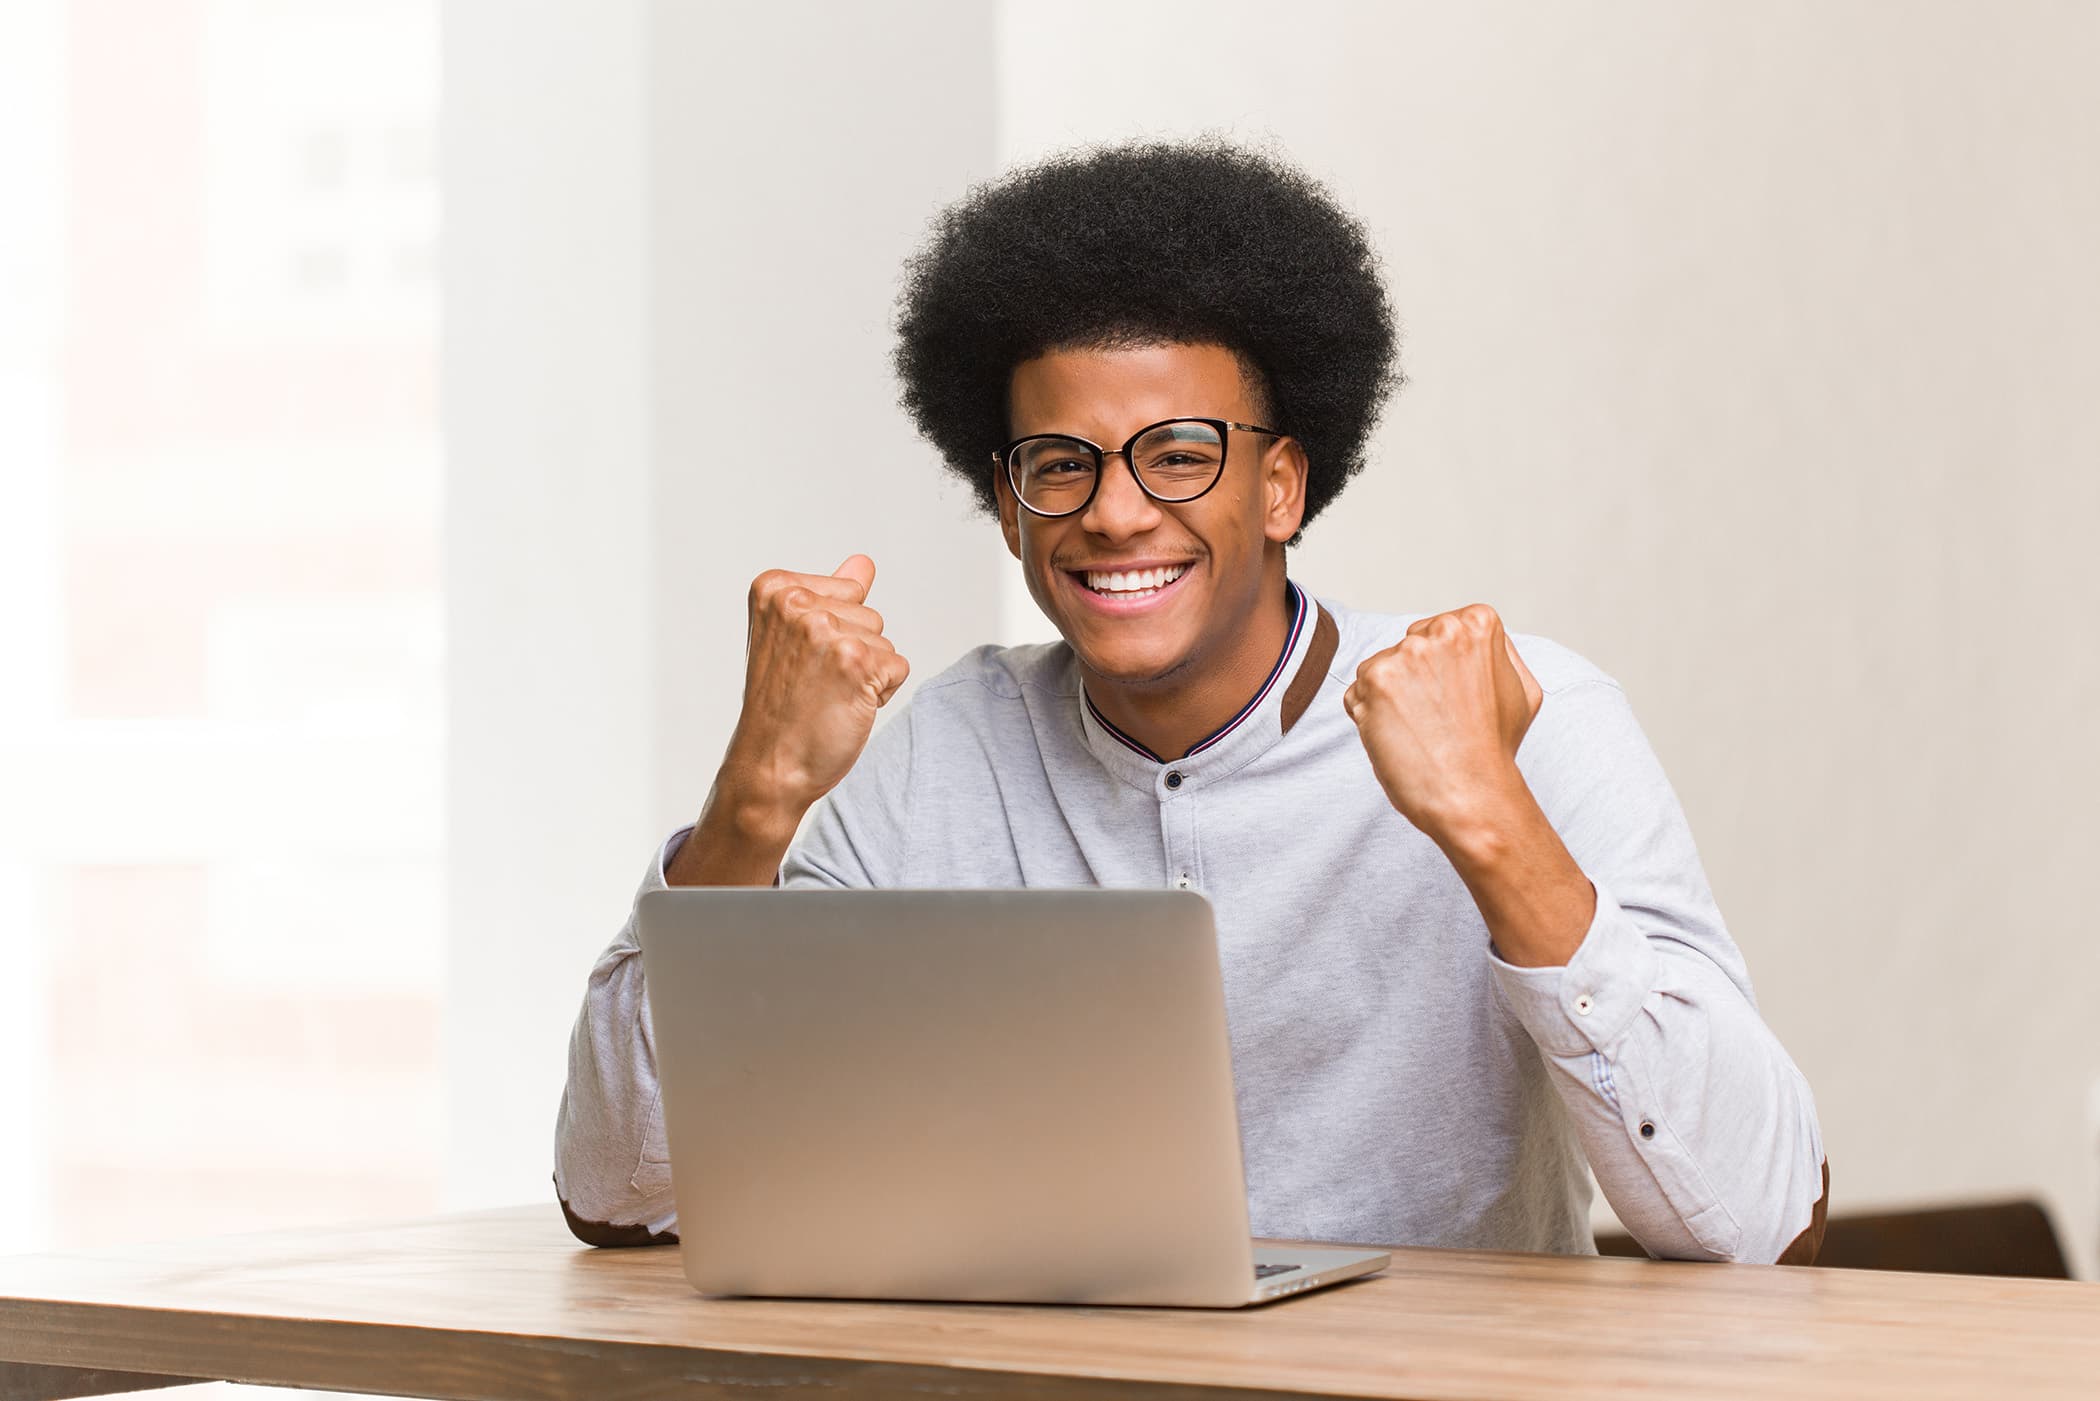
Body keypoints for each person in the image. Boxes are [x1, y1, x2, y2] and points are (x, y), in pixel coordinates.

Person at [554, 139, 1828, 1262]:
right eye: (1060, 464)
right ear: (1006, 506)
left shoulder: (1524, 712)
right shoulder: (944, 752)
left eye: (1177, 455)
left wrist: (1493, 824)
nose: (1113, 513)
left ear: (1280, 487)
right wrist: (756, 801)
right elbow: (620, 1198)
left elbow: (1766, 1218)